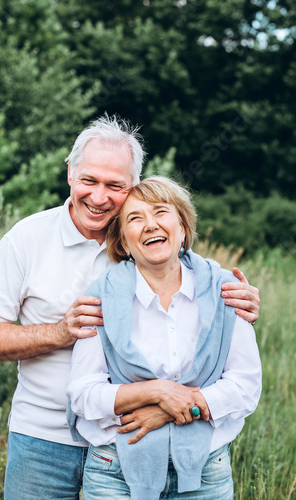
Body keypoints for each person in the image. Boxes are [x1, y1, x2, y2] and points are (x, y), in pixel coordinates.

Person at [0, 115, 260, 499]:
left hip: (138, 439)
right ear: (70, 173)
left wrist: (244, 298)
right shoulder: (26, 238)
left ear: (133, 186)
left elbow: (200, 291)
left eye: (115, 185)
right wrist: (60, 331)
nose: (100, 196)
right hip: (43, 439)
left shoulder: (147, 241)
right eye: (89, 180)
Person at [66, 176, 262, 500]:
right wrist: (157, 391)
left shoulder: (226, 290)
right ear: (123, 242)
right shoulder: (101, 297)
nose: (150, 225)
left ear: (183, 228)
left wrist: (169, 409)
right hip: (114, 470)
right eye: (135, 218)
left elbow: (246, 386)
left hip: (205, 473)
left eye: (161, 212)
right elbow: (83, 393)